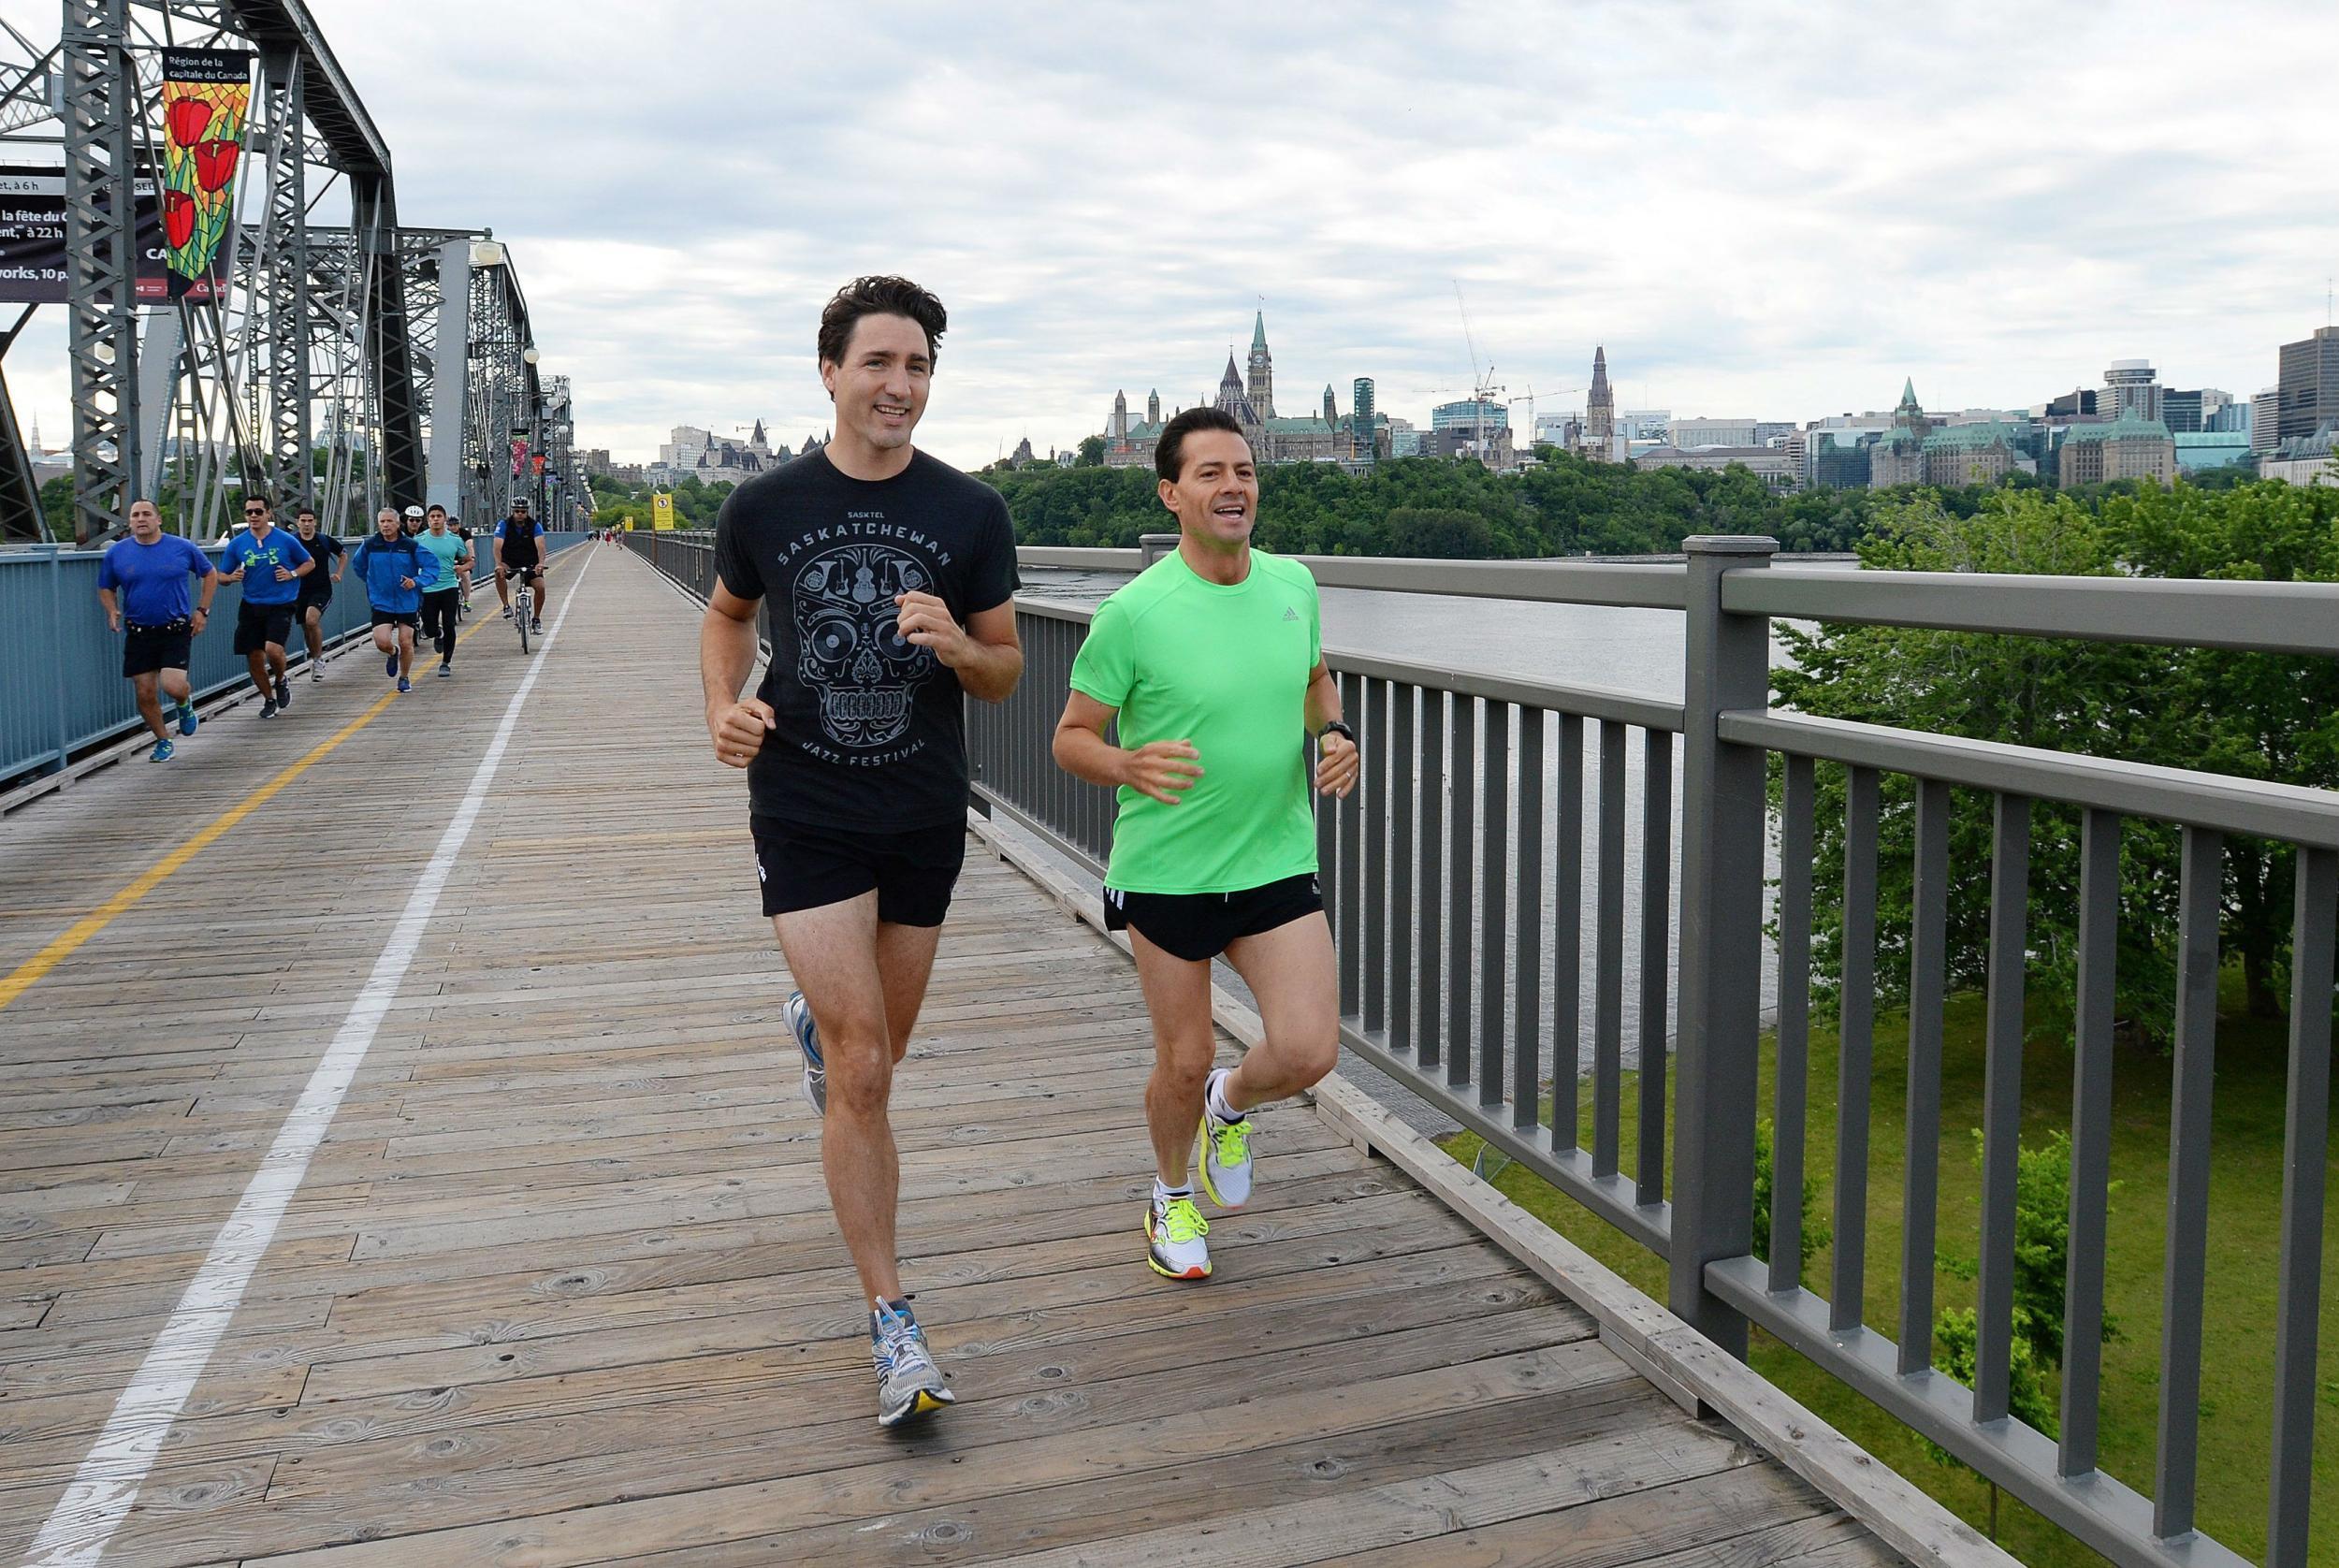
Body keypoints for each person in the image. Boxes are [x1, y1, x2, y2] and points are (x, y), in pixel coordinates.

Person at [702, 275, 1023, 1429]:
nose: (900, 385)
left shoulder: (971, 512)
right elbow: (728, 613)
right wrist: (721, 707)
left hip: (924, 807)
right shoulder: (766, 504)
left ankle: (817, 1029)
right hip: (805, 803)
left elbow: (1006, 667)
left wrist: (957, 644)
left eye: (920, 366)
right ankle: (893, 1319)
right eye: (879, 362)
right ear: (829, 371)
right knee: (866, 1066)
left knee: (873, 1055)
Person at [1052, 406, 1358, 1283]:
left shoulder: (1293, 585)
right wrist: (1125, 763)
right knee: (1182, 1057)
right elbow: (1070, 738)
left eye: (1245, 472)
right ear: (1172, 493)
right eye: (1211, 474)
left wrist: (1335, 734)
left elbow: (1311, 680)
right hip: (1170, 873)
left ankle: (1233, 1103)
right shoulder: (1134, 613)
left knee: (1308, 1051)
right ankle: (1169, 1193)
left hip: (1274, 859)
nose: (1234, 487)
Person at [95, 499, 217, 762]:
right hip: (139, 631)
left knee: (172, 686)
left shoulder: (182, 548)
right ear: (129, 522)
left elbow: (210, 574)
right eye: (135, 515)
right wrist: (112, 610)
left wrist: (202, 611)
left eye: (146, 514)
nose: (141, 519)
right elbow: (106, 586)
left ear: (158, 519)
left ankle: (184, 703)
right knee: (145, 692)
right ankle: (163, 740)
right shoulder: (118, 553)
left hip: (175, 627)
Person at [218, 494, 312, 719]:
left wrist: (291, 574)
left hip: (281, 603)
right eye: (249, 512)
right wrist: (231, 577)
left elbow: (309, 562)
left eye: (258, 511)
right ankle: (269, 699)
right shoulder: (237, 544)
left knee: (273, 649)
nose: (253, 516)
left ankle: (281, 679)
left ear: (268, 514)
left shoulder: (285, 540)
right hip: (251, 604)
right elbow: (220, 576)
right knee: (254, 656)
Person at [348, 506, 440, 694]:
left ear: (398, 524)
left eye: (390, 521)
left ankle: (404, 677)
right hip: (381, 600)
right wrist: (374, 583)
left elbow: (432, 566)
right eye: (382, 521)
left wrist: (416, 582)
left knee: (406, 641)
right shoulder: (370, 545)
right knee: (381, 641)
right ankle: (392, 652)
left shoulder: (410, 546)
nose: (386, 525)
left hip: (406, 600)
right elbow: (358, 566)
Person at [291, 505, 345, 682]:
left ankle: (318, 659)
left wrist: (338, 573)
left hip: (321, 589)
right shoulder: (291, 541)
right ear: (297, 523)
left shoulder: (323, 540)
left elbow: (343, 554)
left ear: (315, 522)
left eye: (310, 521)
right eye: (303, 521)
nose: (307, 524)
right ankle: (315, 658)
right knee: (306, 628)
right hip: (298, 590)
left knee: (311, 620)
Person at [414, 503, 471, 676]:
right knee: (429, 627)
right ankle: (437, 633)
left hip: (449, 586)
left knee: (449, 624)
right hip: (428, 588)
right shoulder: (419, 540)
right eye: (432, 517)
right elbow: (410, 561)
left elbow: (469, 560)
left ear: (444, 519)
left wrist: (463, 568)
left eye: (439, 516)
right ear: (428, 520)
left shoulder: (454, 540)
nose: (436, 519)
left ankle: (446, 662)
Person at [493, 498, 545, 633]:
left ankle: (536, 619)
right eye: (517, 511)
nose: (520, 514)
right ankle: (506, 606)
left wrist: (540, 563)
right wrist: (499, 564)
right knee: (498, 573)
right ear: (512, 512)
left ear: (527, 512)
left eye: (523, 511)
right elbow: (497, 546)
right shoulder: (504, 524)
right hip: (510, 560)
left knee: (540, 587)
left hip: (530, 560)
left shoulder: (535, 525)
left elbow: (541, 546)